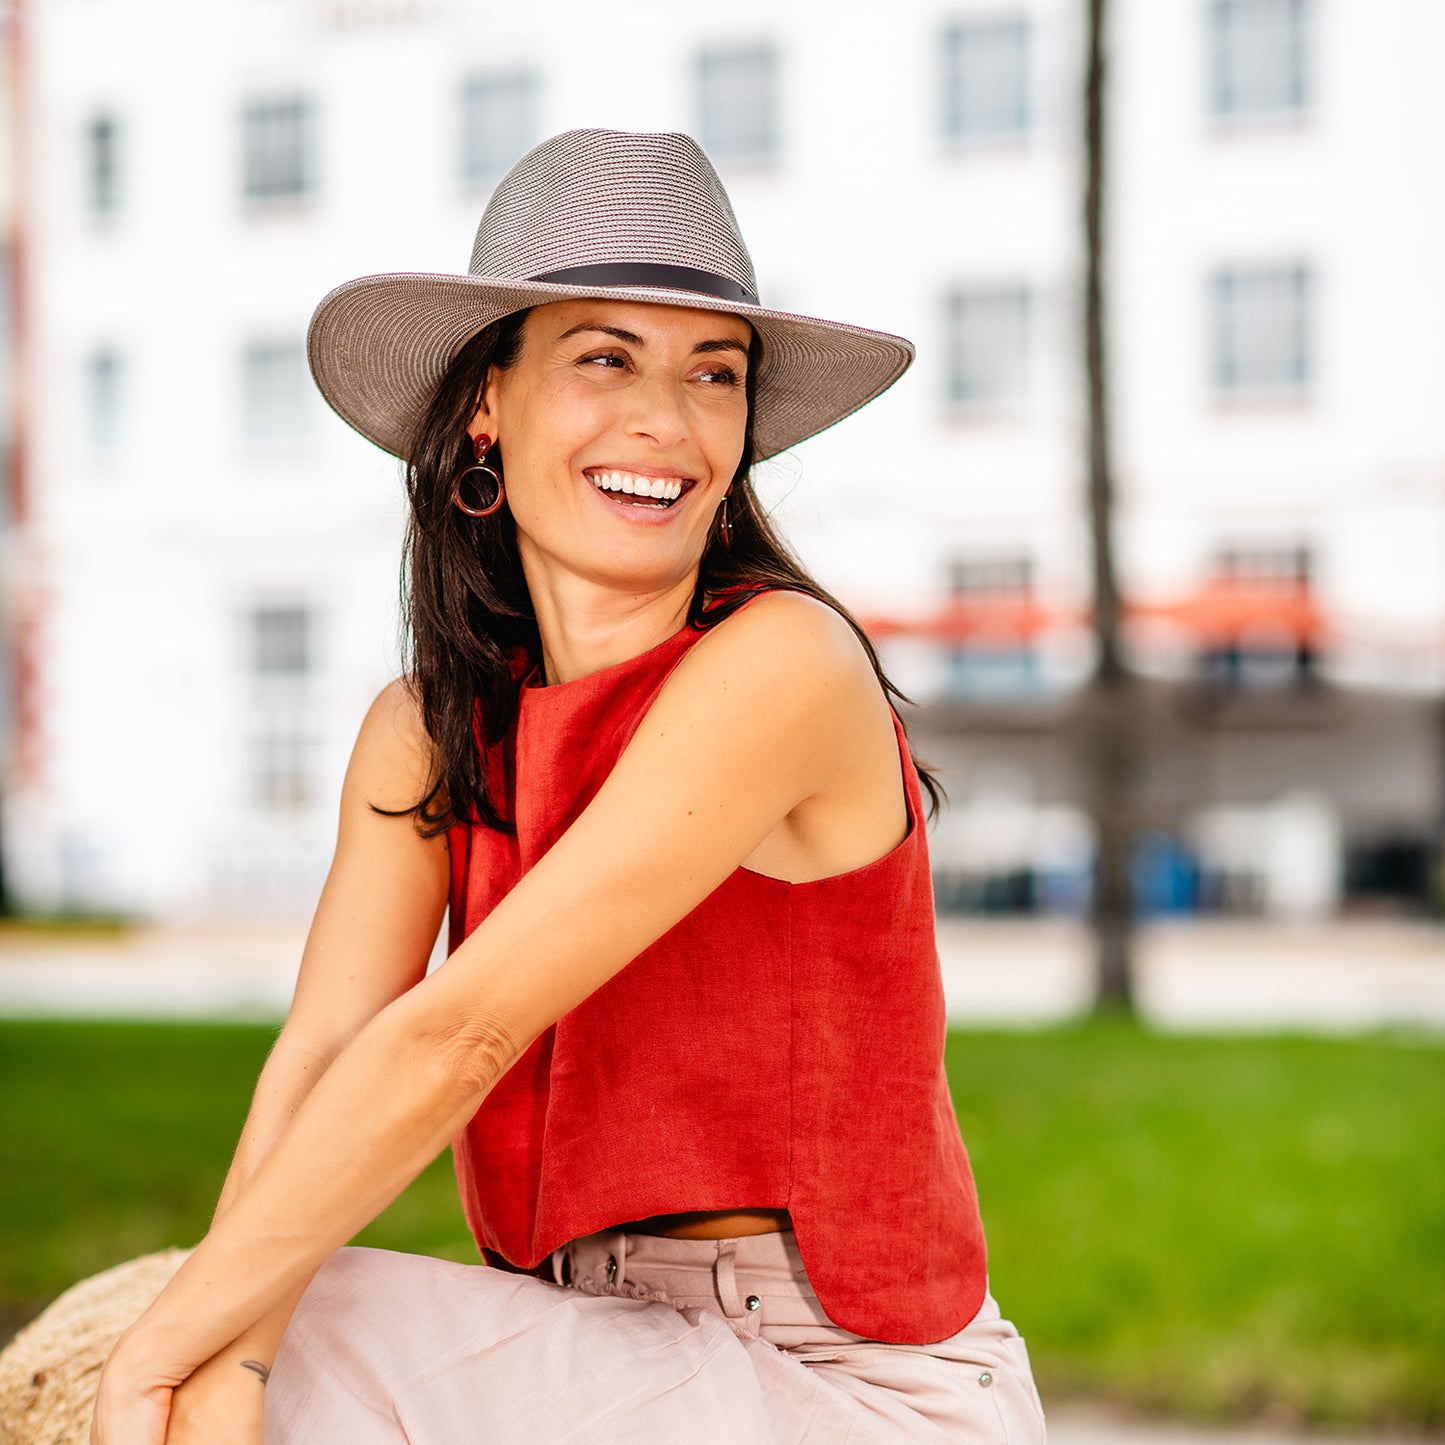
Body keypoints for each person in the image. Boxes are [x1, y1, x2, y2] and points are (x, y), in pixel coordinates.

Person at [91, 128, 1046, 1444]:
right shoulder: (425, 728)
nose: (666, 420)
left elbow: (456, 1031)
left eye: (714, 373)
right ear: (488, 398)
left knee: (249, 1328)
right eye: (604, 357)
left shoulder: (782, 661)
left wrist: (171, 1343)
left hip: (847, 1380)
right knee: (254, 1325)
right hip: (586, 1339)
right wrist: (216, 1358)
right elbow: (317, 1052)